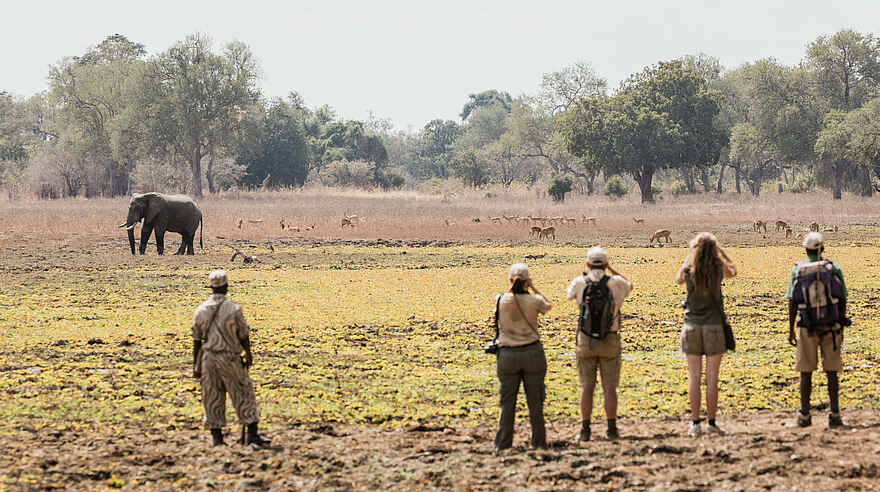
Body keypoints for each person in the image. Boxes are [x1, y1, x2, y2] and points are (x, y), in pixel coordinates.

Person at [193, 270, 270, 447]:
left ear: (211, 287)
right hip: (230, 357)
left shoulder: (201, 310)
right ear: (226, 287)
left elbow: (196, 340)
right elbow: (243, 335)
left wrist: (196, 366)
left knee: (212, 397)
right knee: (244, 393)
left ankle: (217, 439)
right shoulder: (234, 309)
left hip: (208, 359)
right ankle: (252, 434)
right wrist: (248, 354)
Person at [566, 246, 632, 442]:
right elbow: (630, 285)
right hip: (610, 338)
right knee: (609, 387)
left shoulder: (580, 282)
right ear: (606, 264)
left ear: (588, 263)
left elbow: (569, 295)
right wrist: (612, 270)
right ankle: (611, 429)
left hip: (586, 340)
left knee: (587, 387)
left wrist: (585, 275)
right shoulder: (616, 283)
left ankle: (585, 430)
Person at [675, 233, 737, 437]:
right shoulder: (718, 269)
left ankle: (695, 424)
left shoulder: (689, 270)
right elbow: (733, 271)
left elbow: (677, 279)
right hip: (714, 326)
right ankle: (711, 423)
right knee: (712, 379)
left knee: (694, 378)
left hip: (691, 326)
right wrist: (721, 252)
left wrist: (690, 254)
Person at [785, 232, 849, 428]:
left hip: (807, 328)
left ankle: (804, 415)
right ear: (823, 249)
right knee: (832, 372)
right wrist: (840, 321)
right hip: (832, 328)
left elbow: (792, 302)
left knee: (806, 372)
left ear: (805, 250)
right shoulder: (833, 268)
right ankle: (835, 415)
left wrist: (791, 329)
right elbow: (842, 298)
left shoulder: (798, 270)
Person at [493, 263, 552, 452]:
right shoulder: (534, 301)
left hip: (508, 355)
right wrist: (534, 288)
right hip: (532, 353)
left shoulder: (500, 300)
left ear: (510, 280)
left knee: (507, 403)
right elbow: (548, 305)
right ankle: (539, 442)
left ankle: (503, 443)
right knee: (535, 402)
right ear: (527, 281)